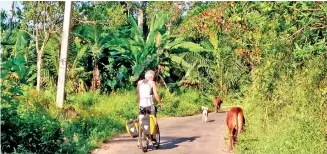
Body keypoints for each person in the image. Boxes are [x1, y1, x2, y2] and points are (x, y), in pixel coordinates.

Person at [137, 70, 163, 148]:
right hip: (150, 106)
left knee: (140, 122)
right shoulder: (152, 83)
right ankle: (154, 139)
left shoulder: (139, 83)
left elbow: (138, 94)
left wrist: (139, 103)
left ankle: (139, 141)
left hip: (141, 106)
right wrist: (160, 102)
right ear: (152, 77)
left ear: (145, 76)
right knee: (154, 122)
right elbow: (155, 94)